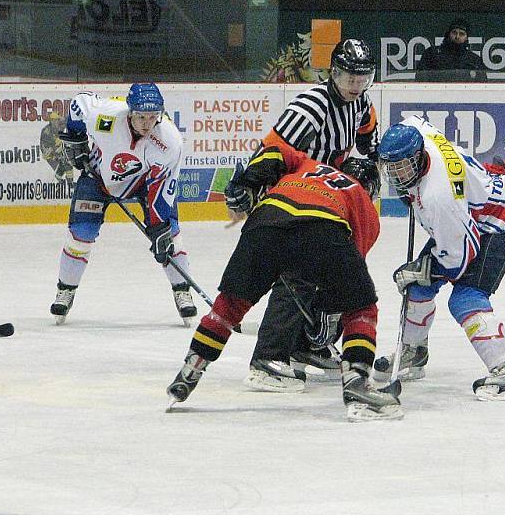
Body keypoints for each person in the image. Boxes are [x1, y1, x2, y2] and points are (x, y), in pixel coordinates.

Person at [167, 142, 403, 421]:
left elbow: (275, 150)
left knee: (229, 306)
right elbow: (346, 282)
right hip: (323, 226)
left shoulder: (310, 166)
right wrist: (323, 319)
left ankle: (191, 370)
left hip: (265, 220)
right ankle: (358, 384)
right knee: (361, 308)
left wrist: (249, 182)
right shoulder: (361, 200)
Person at [228, 38, 380, 392]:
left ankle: (305, 345)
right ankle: (268, 357)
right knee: (296, 274)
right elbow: (274, 149)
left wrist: (372, 163)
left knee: (330, 268)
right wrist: (250, 184)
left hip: (326, 200)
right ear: (333, 74)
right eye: (349, 79)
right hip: (292, 197)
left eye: (363, 79)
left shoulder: (361, 104)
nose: (356, 86)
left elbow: (369, 136)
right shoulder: (312, 106)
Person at [373, 115, 505, 401]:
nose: (397, 175)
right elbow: (415, 120)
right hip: (473, 207)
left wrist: (422, 271)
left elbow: (459, 258)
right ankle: (414, 351)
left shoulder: (440, 198)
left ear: (419, 156)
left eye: (403, 167)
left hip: (496, 223)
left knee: (465, 297)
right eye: (391, 168)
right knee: (417, 287)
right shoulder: (417, 133)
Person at [49, 83, 197, 326]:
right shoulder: (104, 115)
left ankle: (182, 290)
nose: (147, 123)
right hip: (97, 177)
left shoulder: (170, 141)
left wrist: (159, 228)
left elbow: (162, 187)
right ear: (130, 111)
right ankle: (66, 290)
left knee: (170, 234)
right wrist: (75, 138)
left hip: (143, 184)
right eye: (141, 117)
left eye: (152, 117)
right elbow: (79, 102)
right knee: (80, 236)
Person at [416, 19, 487, 82]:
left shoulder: (474, 60)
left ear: (466, 38)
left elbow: (483, 84)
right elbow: (420, 79)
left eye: (461, 34)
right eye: (454, 32)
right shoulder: (432, 54)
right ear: (448, 34)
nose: (457, 37)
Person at [39, 108, 75, 192]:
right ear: (50, 121)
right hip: (49, 153)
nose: (56, 122)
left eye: (57, 120)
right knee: (66, 163)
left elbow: (67, 120)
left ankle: (61, 178)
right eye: (54, 120)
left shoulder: (60, 125)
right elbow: (47, 148)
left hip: (57, 149)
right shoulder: (46, 131)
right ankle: (70, 185)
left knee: (66, 163)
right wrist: (57, 151)